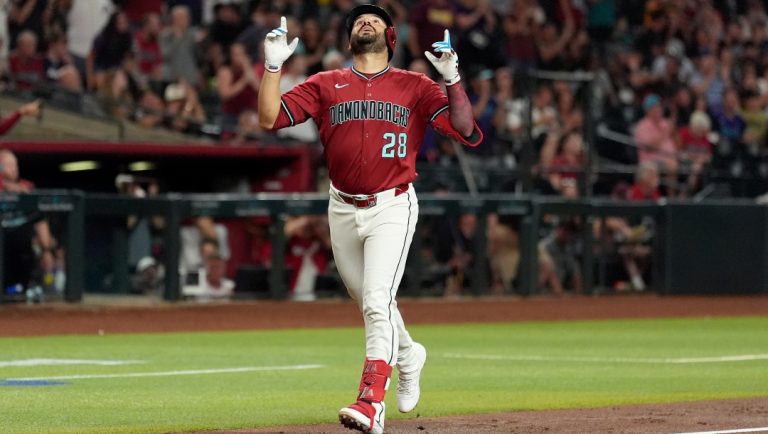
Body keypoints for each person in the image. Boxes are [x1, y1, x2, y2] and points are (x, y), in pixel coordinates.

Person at [258, 6, 482, 434]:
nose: (366, 20)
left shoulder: (415, 86)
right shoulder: (326, 83)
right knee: (369, 301)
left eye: (375, 18)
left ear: (391, 36)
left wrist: (451, 78)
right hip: (341, 206)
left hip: (392, 204)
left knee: (377, 300)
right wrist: (272, 66)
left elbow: (465, 129)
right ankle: (409, 352)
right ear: (348, 40)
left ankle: (371, 402)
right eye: (359, 19)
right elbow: (270, 118)